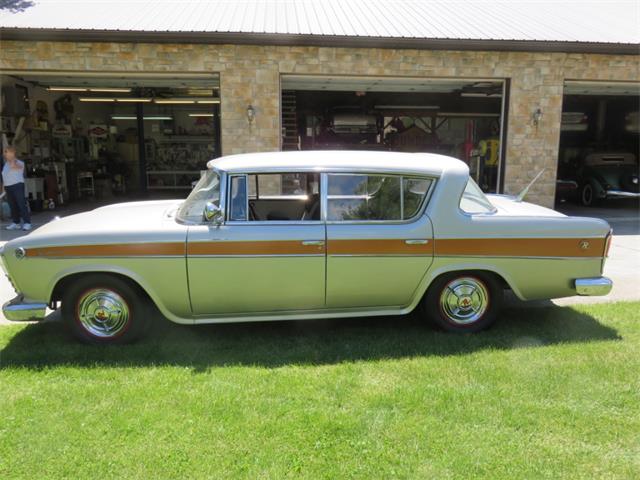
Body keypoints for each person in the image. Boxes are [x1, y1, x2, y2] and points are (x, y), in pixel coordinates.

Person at [1, 146, 31, 231]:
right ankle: (16, 223)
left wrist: (12, 158)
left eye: (7, 152)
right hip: (8, 187)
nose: (5, 154)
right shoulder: (5, 164)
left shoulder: (19, 162)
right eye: (5, 152)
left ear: (12, 153)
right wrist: (3, 188)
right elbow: (5, 177)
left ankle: (27, 223)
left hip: (17, 185)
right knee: (12, 206)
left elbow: (15, 167)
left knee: (21, 204)